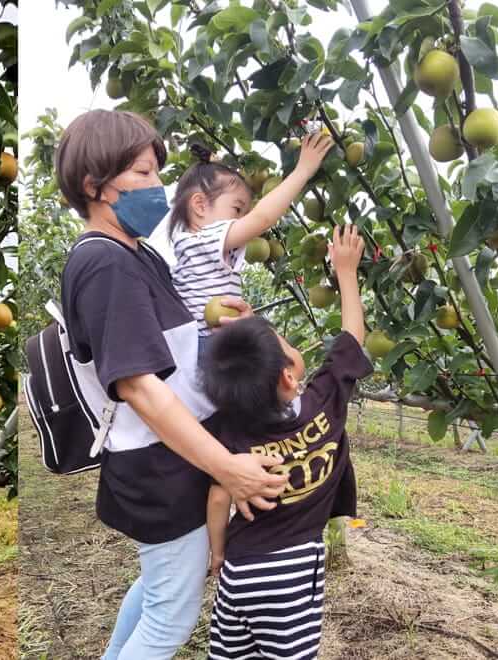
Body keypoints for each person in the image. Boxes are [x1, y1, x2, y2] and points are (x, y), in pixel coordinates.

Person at [54, 108, 289, 660]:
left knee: (159, 590)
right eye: (142, 173)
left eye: (157, 171)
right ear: (95, 185)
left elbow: (167, 342)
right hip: (159, 464)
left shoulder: (136, 257)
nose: (159, 187)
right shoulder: (104, 263)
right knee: (171, 616)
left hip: (166, 455)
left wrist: (213, 319)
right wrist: (226, 466)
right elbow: (140, 387)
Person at [203, 225, 371, 660]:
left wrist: (218, 555)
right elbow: (352, 335)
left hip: (239, 572)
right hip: (292, 576)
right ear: (288, 376)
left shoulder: (228, 432)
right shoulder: (325, 404)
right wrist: (346, 272)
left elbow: (219, 497)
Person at [168, 133, 334, 355]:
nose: (241, 220)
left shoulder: (195, 245)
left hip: (206, 345)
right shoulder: (204, 238)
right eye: (237, 209)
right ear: (199, 205)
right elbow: (262, 218)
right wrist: (302, 171)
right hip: (206, 347)